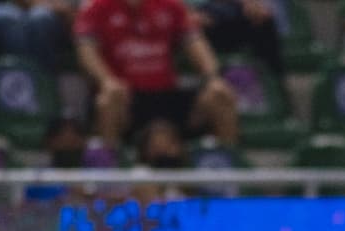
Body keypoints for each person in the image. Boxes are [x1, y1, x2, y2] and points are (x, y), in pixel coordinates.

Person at [73, 0, 239, 148]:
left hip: (167, 96)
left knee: (220, 95)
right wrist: (106, 81)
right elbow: (85, 50)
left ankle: (230, 162)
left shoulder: (171, 5)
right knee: (108, 100)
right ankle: (110, 165)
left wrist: (213, 78)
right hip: (127, 100)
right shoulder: (96, 7)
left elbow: (196, 43)